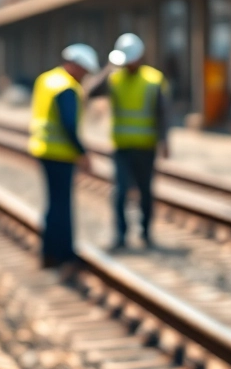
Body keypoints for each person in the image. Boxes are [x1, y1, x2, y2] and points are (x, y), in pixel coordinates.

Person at [28, 43, 101, 269]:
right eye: (84, 71)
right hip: (60, 153)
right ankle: (64, 255)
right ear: (76, 66)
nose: (85, 77)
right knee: (62, 206)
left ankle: (49, 253)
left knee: (53, 204)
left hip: (43, 148)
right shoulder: (67, 87)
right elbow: (69, 125)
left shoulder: (46, 79)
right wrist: (83, 153)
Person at [93, 32, 169, 249]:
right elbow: (90, 91)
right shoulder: (114, 78)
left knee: (145, 191)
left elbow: (162, 113)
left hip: (146, 146)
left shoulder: (153, 79)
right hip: (122, 147)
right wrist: (109, 66)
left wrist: (164, 141)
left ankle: (146, 233)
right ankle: (120, 235)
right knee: (120, 191)